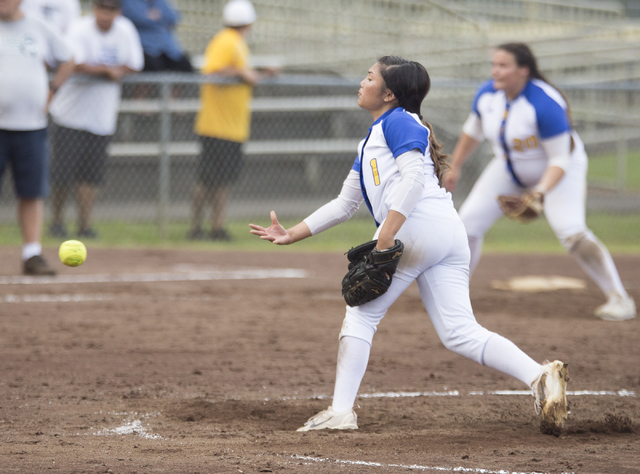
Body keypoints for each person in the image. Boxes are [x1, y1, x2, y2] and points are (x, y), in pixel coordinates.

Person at [249, 56, 569, 434]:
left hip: (415, 228)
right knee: (459, 332)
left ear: (388, 94)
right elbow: (344, 204)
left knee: (361, 315)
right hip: (447, 233)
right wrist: (292, 233)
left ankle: (340, 411)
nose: (362, 82)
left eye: (370, 77)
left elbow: (414, 179)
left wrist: (387, 232)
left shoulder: (398, 121)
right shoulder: (376, 135)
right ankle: (540, 376)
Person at [444, 42, 636, 322]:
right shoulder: (488, 95)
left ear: (524, 70)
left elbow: (560, 159)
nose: (494, 71)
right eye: (493, 64)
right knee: (467, 226)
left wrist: (539, 192)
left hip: (559, 171)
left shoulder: (544, 102)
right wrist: (456, 166)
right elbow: (471, 132)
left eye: (503, 65)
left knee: (571, 232)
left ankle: (620, 299)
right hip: (509, 168)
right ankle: (454, 298)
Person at [48, 0, 144, 239]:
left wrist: (116, 70)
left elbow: (135, 64)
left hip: (102, 117)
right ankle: (57, 222)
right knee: (63, 174)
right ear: (94, 9)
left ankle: (85, 225)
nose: (105, 14)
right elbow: (72, 63)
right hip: (70, 115)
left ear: (118, 12)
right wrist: (105, 70)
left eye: (111, 9)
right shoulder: (79, 29)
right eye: (102, 8)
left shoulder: (126, 30)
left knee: (90, 176)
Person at [190, 0, 277, 241]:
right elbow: (212, 71)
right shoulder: (226, 40)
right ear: (248, 22)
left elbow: (237, 70)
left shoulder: (234, 42)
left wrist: (258, 72)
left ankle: (216, 226)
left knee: (221, 180)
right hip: (218, 125)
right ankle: (199, 227)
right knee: (209, 180)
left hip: (230, 126)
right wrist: (241, 72)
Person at [0, 0, 74, 275]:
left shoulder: (38, 26)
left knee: (31, 192)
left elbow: (68, 59)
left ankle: (32, 254)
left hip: (31, 125)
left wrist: (51, 92)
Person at [120, 0, 191, 73]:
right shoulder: (129, 2)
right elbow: (134, 17)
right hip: (146, 48)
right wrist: (154, 19)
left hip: (168, 48)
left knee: (185, 65)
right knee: (154, 67)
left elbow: (173, 17)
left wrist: (152, 17)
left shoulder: (160, 2)